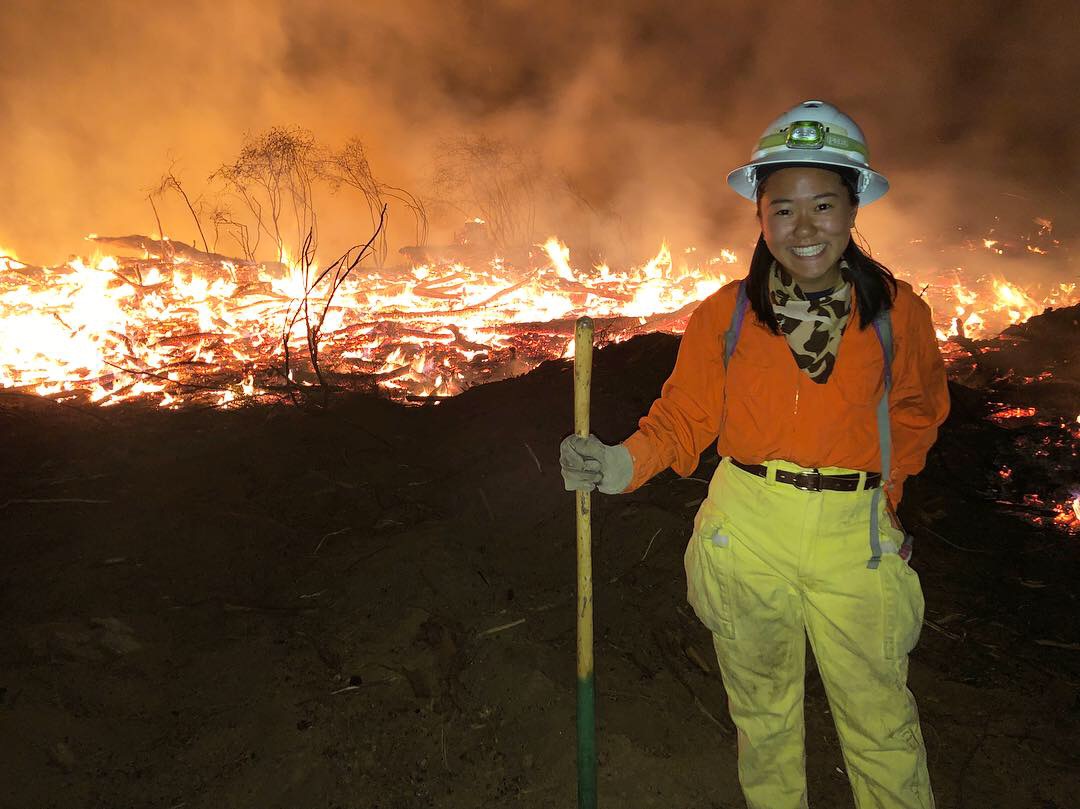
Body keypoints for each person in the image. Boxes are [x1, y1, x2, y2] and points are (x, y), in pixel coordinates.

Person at [559, 100, 949, 809]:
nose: (804, 229)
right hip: (747, 532)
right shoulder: (725, 315)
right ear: (760, 215)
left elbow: (918, 410)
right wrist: (615, 464)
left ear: (854, 205)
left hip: (853, 540)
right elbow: (682, 417)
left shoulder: (898, 314)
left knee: (881, 724)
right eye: (783, 209)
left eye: (823, 205)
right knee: (763, 722)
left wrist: (883, 495)